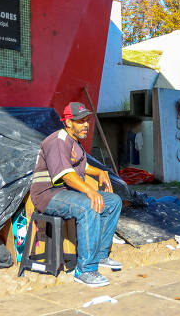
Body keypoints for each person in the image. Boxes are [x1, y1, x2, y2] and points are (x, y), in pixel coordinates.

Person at [30, 102, 122, 287]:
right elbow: (66, 174)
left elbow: (83, 166)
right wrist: (89, 191)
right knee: (89, 205)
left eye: (87, 120)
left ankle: (100, 256)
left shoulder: (75, 143)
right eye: (80, 121)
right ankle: (85, 270)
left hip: (64, 193)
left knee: (113, 201)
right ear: (68, 122)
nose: (86, 124)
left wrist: (100, 172)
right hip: (48, 195)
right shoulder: (58, 140)